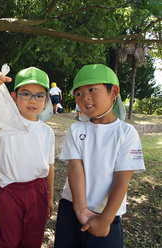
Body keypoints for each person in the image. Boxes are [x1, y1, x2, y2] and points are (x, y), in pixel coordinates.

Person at [54, 64, 145, 248]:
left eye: (92, 89)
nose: (85, 96)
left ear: (114, 92)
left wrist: (105, 220)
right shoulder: (76, 129)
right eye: (78, 93)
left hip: (107, 215)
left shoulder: (126, 133)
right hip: (71, 208)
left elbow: (122, 179)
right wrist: (80, 209)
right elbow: (75, 168)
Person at [0, 67, 55, 248]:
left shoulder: (47, 132)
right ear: (14, 97)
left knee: (32, 239)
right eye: (26, 94)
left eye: (39, 95)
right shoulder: (4, 124)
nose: (33, 100)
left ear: (46, 101)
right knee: (8, 241)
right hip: (10, 190)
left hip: (38, 191)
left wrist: (49, 196)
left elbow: (49, 165)